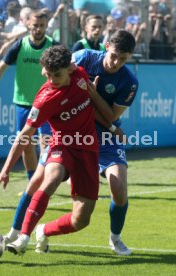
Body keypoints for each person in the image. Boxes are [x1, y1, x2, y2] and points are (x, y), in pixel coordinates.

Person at [0, 45, 100, 256]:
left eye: (56, 75)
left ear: (70, 68)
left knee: (81, 219)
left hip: (87, 148)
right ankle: (23, 237)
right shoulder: (45, 98)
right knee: (49, 180)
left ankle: (44, 229)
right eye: (48, 74)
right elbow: (24, 135)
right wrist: (5, 170)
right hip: (61, 145)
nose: (51, 80)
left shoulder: (80, 73)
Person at [72, 29, 139, 255]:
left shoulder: (129, 82)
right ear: (107, 45)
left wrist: (91, 94)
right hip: (74, 130)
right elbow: (55, 77)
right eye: (114, 55)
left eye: (124, 59)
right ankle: (19, 234)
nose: (117, 63)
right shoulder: (84, 58)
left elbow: (110, 115)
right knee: (45, 179)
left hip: (106, 137)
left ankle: (115, 238)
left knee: (119, 190)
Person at [0, 10, 57, 195]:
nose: (38, 29)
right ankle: (32, 183)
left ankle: (43, 184)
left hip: (47, 104)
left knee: (45, 145)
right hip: (24, 104)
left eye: (42, 25)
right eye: (35, 25)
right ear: (28, 25)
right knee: (25, 146)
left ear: (46, 26)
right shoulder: (20, 45)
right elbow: (1, 67)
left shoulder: (53, 46)